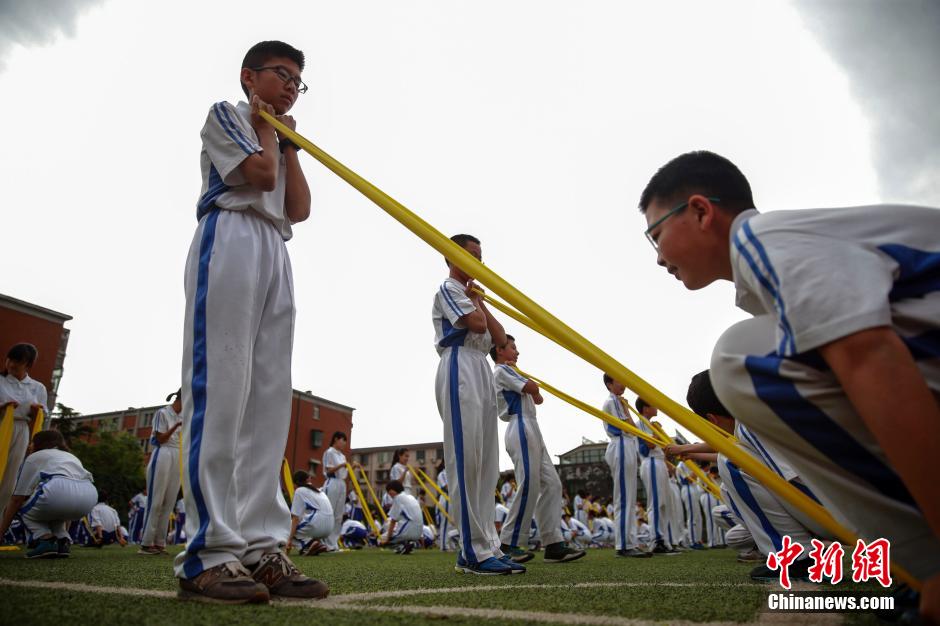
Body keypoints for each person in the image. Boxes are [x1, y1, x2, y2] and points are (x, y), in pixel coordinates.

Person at [175, 40, 325, 604]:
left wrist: (292, 147)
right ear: (248, 76)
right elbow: (258, 177)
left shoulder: (279, 138)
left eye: (297, 81)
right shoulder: (227, 115)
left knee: (268, 398)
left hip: (274, 249)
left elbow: (298, 208)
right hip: (231, 234)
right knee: (223, 388)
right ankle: (209, 551)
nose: (290, 87)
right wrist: (268, 131)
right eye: (280, 74)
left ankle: (262, 546)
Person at [432, 233, 512, 575]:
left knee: (486, 463)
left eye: (481, 257)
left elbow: (500, 338)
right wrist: (475, 300)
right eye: (472, 256)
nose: (479, 262)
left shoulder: (472, 295)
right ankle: (470, 551)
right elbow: (476, 324)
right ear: (453, 256)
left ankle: (489, 545)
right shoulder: (449, 289)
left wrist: (481, 299)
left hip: (480, 366)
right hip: (459, 362)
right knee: (466, 460)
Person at [491, 335, 583, 564]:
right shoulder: (502, 371)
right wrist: (522, 375)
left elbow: (538, 398)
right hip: (519, 424)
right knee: (529, 484)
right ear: (499, 350)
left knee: (552, 484)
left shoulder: (514, 371)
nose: (517, 352)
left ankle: (553, 544)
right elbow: (533, 388)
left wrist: (523, 376)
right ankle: (507, 544)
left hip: (532, 426)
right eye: (513, 347)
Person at [0, 430, 96, 559]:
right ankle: (62, 540)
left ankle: (45, 538)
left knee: (19, 506)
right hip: (89, 495)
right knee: (58, 511)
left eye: (32, 442)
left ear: (39, 443)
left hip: (58, 489)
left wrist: (1, 532)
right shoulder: (71, 456)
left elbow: (17, 499)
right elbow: (68, 498)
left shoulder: (34, 457)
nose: (30, 446)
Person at [601, 375, 650, 558]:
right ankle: (623, 545)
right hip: (620, 443)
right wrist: (627, 409)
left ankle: (630, 542)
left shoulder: (618, 401)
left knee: (629, 497)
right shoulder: (613, 401)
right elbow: (630, 427)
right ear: (609, 384)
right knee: (623, 497)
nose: (623, 384)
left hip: (627, 444)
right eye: (618, 381)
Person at [0, 343, 49, 521]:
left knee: (11, 476)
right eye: (10, 359)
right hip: (2, 425)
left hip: (21, 430)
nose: (12, 364)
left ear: (28, 365)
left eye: (18, 361)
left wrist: (37, 412)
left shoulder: (37, 387)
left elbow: (42, 415)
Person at [139, 391, 183, 555]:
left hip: (178, 454)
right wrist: (176, 427)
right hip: (163, 451)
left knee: (169, 501)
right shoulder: (162, 413)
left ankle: (159, 542)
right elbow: (160, 439)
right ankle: (146, 543)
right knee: (156, 500)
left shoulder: (186, 415)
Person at [634, 398, 673, 554]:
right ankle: (656, 540)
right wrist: (657, 432)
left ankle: (663, 539)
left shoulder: (650, 424)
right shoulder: (640, 423)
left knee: (663, 503)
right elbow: (648, 445)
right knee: (655, 503)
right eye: (653, 404)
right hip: (650, 462)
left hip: (658, 462)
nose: (656, 407)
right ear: (645, 408)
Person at [287, 471, 333, 556]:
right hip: (329, 528)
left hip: (318, 525)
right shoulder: (319, 491)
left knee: (286, 527)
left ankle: (307, 546)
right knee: (305, 519)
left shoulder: (299, 491)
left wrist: (289, 540)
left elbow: (295, 518)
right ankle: (316, 544)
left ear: (295, 483)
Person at [380, 480, 423, 555]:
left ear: (393, 490)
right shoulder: (411, 497)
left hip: (409, 530)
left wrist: (387, 539)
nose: (390, 495)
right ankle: (409, 545)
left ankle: (402, 546)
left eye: (390, 493)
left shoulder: (398, 498)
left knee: (381, 539)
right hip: (419, 533)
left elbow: (393, 521)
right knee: (400, 527)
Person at [322, 431, 349, 551]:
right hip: (332, 482)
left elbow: (344, 473)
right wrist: (342, 465)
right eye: (343, 440)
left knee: (338, 515)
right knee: (330, 511)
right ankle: (326, 542)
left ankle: (334, 543)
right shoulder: (330, 452)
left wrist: (350, 467)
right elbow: (329, 470)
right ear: (336, 439)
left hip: (342, 483)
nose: (344, 443)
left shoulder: (342, 456)